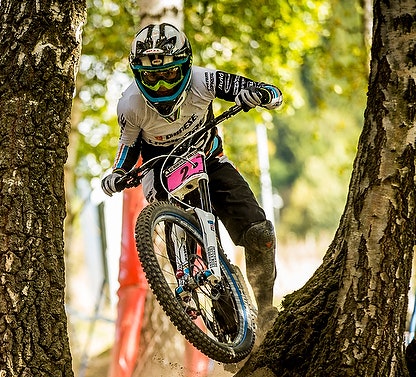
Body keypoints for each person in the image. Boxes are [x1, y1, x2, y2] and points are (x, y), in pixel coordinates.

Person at [101, 22, 283, 329]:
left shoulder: (205, 80)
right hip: (161, 173)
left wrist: (261, 94)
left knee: (259, 234)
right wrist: (117, 172)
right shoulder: (130, 104)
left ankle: (265, 310)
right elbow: (127, 146)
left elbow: (273, 93)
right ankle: (214, 311)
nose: (161, 86)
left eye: (169, 74)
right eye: (151, 77)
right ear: (138, 75)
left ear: (185, 66)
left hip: (210, 162)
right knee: (184, 243)